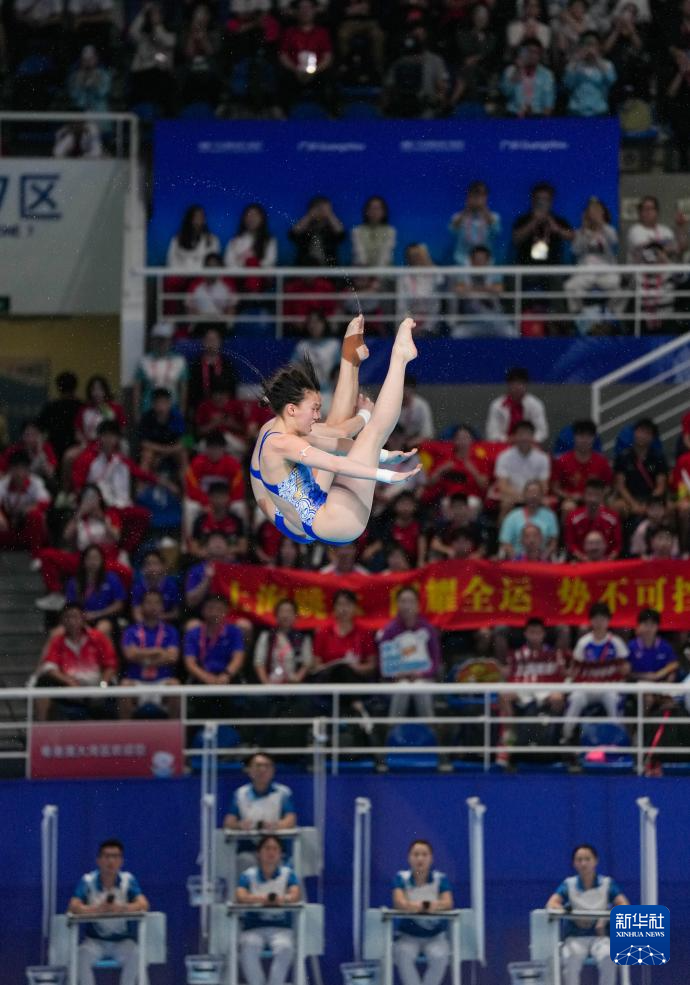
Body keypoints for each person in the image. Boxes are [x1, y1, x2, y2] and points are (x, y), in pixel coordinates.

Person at [249, 315, 420, 546]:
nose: (318, 415)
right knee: (371, 434)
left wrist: (383, 456)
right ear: (291, 409)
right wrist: (388, 475)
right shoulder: (280, 442)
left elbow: (334, 441)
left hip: (305, 519)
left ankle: (352, 359)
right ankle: (398, 357)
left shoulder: (281, 430)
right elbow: (336, 455)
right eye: (314, 409)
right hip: (326, 522)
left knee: (355, 438)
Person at [68, 838, 149, 985]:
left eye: (115, 856)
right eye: (107, 856)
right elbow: (73, 906)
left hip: (122, 941)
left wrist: (122, 908)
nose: (111, 861)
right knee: (80, 956)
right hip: (94, 941)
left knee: (136, 954)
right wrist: (96, 910)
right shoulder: (88, 881)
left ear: (121, 861)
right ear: (98, 860)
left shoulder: (128, 880)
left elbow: (143, 904)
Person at [546, 844, 629, 985]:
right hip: (575, 938)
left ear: (595, 861)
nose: (583, 863)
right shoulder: (569, 884)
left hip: (601, 938)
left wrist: (605, 918)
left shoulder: (607, 883)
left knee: (609, 956)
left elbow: (624, 905)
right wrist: (565, 910)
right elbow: (552, 903)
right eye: (579, 860)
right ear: (574, 863)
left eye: (587, 859)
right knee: (570, 958)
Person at [497, 617, 569, 767]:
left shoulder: (554, 654)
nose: (535, 636)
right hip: (523, 687)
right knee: (504, 696)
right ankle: (509, 738)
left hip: (546, 688)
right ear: (525, 634)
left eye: (538, 633)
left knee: (558, 698)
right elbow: (509, 674)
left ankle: (559, 740)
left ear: (543, 634)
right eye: (531, 632)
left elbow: (562, 675)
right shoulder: (516, 654)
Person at [236, 835, 301, 985]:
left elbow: (295, 895)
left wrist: (281, 899)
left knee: (285, 948)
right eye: (267, 848)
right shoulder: (248, 875)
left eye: (275, 849)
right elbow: (240, 896)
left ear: (280, 853)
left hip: (281, 929)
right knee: (248, 947)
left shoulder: (288, 874)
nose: (271, 852)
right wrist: (263, 899)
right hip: (253, 928)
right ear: (258, 853)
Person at [35, 604, 118, 721]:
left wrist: (103, 684)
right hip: (69, 686)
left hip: (96, 685)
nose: (71, 621)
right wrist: (68, 681)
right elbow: (49, 667)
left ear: (83, 618)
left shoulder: (98, 637)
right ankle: (41, 727)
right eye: (67, 617)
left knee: (114, 691)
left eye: (75, 616)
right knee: (43, 682)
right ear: (62, 621)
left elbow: (111, 664)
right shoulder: (58, 640)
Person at [561, 604, 629, 744]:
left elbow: (625, 668)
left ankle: (618, 740)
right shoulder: (583, 643)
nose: (599, 623)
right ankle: (566, 738)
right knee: (575, 699)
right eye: (596, 619)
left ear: (608, 621)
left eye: (602, 619)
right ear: (591, 621)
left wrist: (624, 669)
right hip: (586, 687)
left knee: (613, 701)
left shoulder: (616, 643)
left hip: (609, 687)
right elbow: (575, 669)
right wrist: (566, 672)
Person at [392, 839, 454, 985]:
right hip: (407, 937)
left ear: (431, 858)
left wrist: (433, 906)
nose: (420, 858)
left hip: (435, 937)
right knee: (402, 954)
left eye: (424, 855)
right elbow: (398, 902)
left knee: (440, 956)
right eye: (416, 854)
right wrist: (413, 906)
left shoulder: (440, 879)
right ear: (409, 858)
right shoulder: (401, 878)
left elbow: (448, 903)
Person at [377, 587, 441, 719]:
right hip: (397, 680)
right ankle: (393, 727)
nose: (407, 606)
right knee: (403, 686)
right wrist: (395, 674)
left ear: (418, 605)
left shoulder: (427, 629)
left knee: (420, 686)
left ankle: (429, 726)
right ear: (397, 605)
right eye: (403, 601)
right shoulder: (389, 631)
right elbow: (384, 664)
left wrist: (421, 674)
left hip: (423, 678)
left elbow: (435, 663)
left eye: (411, 601)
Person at [121, 589, 181, 717]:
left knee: (175, 685)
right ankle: (125, 728)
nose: (153, 606)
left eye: (157, 602)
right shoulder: (130, 630)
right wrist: (158, 651)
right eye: (148, 602)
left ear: (162, 606)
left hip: (162, 681)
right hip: (136, 681)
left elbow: (172, 657)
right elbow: (129, 655)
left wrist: (141, 656)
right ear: (141, 606)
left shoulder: (171, 630)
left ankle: (174, 728)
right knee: (124, 686)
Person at [563, 199, 620, 315]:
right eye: (591, 211)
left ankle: (609, 315)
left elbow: (614, 241)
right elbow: (576, 251)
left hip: (606, 272)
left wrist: (600, 223)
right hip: (585, 272)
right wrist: (584, 230)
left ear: (603, 213)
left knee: (619, 291)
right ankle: (579, 316)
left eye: (597, 211)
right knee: (569, 287)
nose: (594, 214)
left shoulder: (609, 229)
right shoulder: (580, 232)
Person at [451, 246, 515, 338]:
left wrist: (472, 289)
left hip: (495, 320)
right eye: (476, 260)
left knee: (511, 332)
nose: (479, 263)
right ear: (471, 260)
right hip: (472, 322)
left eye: (482, 260)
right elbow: (459, 289)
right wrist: (487, 289)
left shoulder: (494, 272)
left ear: (488, 261)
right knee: (457, 334)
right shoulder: (464, 273)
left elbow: (498, 289)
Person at [551, 421, 613, 516]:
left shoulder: (602, 462)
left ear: (594, 438)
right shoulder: (562, 461)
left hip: (595, 500)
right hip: (571, 500)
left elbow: (608, 487)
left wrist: (596, 496)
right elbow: (555, 488)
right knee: (568, 507)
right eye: (581, 436)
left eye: (588, 436)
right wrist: (569, 496)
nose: (584, 440)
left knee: (603, 508)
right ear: (574, 437)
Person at [612, 418, 667, 522]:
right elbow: (620, 486)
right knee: (618, 506)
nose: (643, 435)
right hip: (628, 499)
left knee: (670, 508)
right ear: (634, 433)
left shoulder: (658, 458)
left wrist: (648, 505)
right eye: (640, 431)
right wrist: (634, 504)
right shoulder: (623, 457)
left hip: (652, 500)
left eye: (647, 433)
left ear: (652, 437)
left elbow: (660, 487)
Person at [183, 593, 245, 684]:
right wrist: (206, 677)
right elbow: (190, 662)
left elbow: (238, 658)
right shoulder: (193, 633)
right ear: (203, 610)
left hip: (228, 676)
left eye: (219, 609)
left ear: (226, 611)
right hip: (201, 677)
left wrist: (226, 675)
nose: (214, 613)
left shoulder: (234, 632)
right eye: (210, 608)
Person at [493, 420, 551, 517]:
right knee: (506, 503)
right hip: (513, 496)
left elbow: (544, 486)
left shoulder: (543, 458)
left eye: (527, 434)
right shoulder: (504, 456)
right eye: (521, 434)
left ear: (533, 437)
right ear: (515, 436)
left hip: (534, 496)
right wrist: (523, 497)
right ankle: (503, 527)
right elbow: (502, 486)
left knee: (547, 505)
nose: (524, 438)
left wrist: (531, 496)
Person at [65, 545, 126, 636]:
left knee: (101, 629)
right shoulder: (74, 582)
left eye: (96, 558)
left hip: (105, 618)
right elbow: (70, 606)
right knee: (57, 632)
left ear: (102, 560)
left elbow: (119, 605)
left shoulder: (112, 578)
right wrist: (81, 617)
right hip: (80, 619)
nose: (93, 562)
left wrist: (96, 614)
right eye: (89, 558)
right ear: (83, 561)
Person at [627, 608, 678, 713]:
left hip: (659, 685)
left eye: (652, 625)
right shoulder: (631, 646)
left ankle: (661, 724)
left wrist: (657, 675)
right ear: (639, 626)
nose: (648, 628)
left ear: (657, 627)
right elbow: (626, 672)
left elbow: (674, 664)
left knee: (670, 703)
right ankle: (642, 723)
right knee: (648, 699)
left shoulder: (664, 646)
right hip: (638, 684)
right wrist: (646, 677)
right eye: (645, 624)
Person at [128, 2, 176, 113]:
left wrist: (157, 27)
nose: (155, 16)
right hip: (141, 76)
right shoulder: (143, 36)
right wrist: (144, 12)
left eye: (157, 14)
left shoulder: (168, 34)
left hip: (159, 75)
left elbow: (165, 57)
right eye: (152, 14)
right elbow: (132, 32)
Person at [0, 449, 50, 555]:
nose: (18, 473)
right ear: (10, 470)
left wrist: (28, 509)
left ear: (27, 469)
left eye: (22, 468)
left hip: (28, 531)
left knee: (35, 515)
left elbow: (45, 501)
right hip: (10, 529)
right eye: (15, 468)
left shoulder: (35, 482)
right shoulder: (4, 483)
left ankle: (36, 555)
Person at [512, 182, 574, 268]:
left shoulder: (558, 220)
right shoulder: (523, 220)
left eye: (545, 199)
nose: (541, 202)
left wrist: (557, 228)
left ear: (551, 201)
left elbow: (572, 236)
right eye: (539, 199)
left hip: (553, 268)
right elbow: (516, 239)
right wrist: (534, 221)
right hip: (527, 267)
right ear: (533, 199)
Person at [133, 322, 188, 418]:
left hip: (172, 408)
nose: (161, 342)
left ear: (170, 340)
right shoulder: (144, 361)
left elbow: (183, 389)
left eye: (165, 339)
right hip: (148, 408)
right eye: (158, 339)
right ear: (153, 340)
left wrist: (182, 412)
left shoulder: (180, 361)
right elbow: (137, 390)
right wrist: (136, 413)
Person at [485, 367, 548, 445]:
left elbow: (542, 432)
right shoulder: (497, 405)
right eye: (513, 383)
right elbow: (492, 435)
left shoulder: (535, 404)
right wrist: (509, 439)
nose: (517, 387)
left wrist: (526, 439)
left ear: (526, 385)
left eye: (520, 383)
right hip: (503, 446)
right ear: (508, 385)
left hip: (529, 445)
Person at [499, 479, 559, 559]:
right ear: (524, 494)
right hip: (517, 560)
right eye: (530, 492)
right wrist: (517, 559)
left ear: (542, 496)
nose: (533, 496)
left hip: (542, 561)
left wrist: (543, 558)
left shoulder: (550, 515)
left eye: (536, 493)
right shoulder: (512, 516)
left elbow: (553, 542)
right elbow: (505, 542)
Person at [564, 479, 622, 560]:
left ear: (602, 496)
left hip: (607, 562)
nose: (593, 499)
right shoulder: (573, 518)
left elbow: (617, 546)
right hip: (580, 562)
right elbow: (570, 545)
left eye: (596, 495)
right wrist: (584, 559)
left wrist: (607, 560)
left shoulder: (613, 518)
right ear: (584, 495)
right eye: (590, 494)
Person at [449, 180, 502, 267]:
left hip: (486, 261)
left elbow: (496, 231)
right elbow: (452, 230)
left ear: (486, 197)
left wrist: (483, 208)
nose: (477, 199)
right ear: (468, 196)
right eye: (474, 195)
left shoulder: (494, 216)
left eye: (481, 195)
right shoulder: (458, 216)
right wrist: (467, 208)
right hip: (462, 260)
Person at [564, 32, 616, 116]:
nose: (589, 48)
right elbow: (567, 84)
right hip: (576, 112)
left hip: (599, 111)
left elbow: (611, 81)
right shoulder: (573, 65)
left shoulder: (607, 65)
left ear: (599, 46)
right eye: (586, 44)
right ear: (581, 46)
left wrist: (597, 60)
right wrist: (576, 61)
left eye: (592, 44)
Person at [186, 325, 237, 410]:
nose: (211, 343)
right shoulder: (195, 365)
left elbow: (232, 390)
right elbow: (191, 392)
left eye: (214, 340)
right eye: (208, 340)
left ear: (220, 342)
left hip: (224, 409)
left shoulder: (227, 364)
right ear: (203, 342)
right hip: (201, 408)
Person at [501, 40, 555, 117]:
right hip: (513, 115)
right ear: (522, 53)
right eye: (529, 52)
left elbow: (548, 104)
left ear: (540, 56)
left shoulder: (547, 75)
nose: (531, 55)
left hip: (537, 115)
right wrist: (518, 70)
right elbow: (506, 93)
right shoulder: (510, 70)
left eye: (535, 52)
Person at [37, 371, 83, 463]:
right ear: (75, 387)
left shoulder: (50, 407)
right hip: (76, 450)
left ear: (58, 388)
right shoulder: (82, 406)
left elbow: (40, 429)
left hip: (55, 449)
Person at [397, 243, 443, 335]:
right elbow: (402, 305)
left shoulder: (434, 272)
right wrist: (410, 324)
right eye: (412, 256)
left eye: (418, 255)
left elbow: (435, 305)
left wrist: (426, 327)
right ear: (408, 258)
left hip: (431, 322)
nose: (416, 258)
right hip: (410, 319)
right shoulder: (404, 276)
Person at [289, 195, 344, 267]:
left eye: (326, 209)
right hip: (304, 268)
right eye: (318, 209)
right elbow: (293, 233)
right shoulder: (305, 228)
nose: (321, 212)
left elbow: (341, 234)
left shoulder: (331, 229)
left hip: (329, 268)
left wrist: (329, 214)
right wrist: (310, 215)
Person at [224, 203, 278, 275]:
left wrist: (252, 264)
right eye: (249, 215)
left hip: (260, 276)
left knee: (252, 263)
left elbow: (270, 262)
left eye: (255, 215)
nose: (252, 219)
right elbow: (228, 262)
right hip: (238, 276)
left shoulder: (269, 240)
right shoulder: (235, 240)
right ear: (243, 219)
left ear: (262, 218)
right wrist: (244, 265)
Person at [131, 550, 181, 623]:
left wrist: (158, 620)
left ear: (163, 566)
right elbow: (136, 613)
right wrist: (147, 626)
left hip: (167, 623)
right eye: (148, 564)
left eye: (155, 563)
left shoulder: (171, 585)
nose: (152, 568)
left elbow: (176, 613)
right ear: (142, 568)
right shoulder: (138, 586)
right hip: (144, 624)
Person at [186, 253, 238, 322]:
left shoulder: (228, 284)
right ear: (204, 267)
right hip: (200, 322)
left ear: (220, 268)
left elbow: (232, 308)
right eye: (209, 266)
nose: (212, 270)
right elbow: (189, 308)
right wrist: (202, 319)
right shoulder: (195, 283)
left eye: (215, 267)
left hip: (221, 322)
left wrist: (224, 321)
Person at [166, 205, 220, 270]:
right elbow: (171, 260)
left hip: (202, 274)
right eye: (196, 217)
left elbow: (213, 262)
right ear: (189, 219)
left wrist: (195, 269)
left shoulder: (212, 240)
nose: (199, 221)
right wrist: (184, 271)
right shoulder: (176, 240)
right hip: (180, 273)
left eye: (202, 217)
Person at [351, 195, 397, 267]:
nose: (374, 212)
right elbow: (360, 254)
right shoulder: (356, 231)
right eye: (371, 208)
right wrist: (365, 270)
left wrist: (378, 272)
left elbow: (386, 254)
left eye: (378, 208)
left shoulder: (390, 231)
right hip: (361, 269)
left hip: (384, 270)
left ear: (384, 212)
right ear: (366, 211)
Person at [68, 45, 111, 113]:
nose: (88, 62)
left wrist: (96, 82)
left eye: (90, 59)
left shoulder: (104, 75)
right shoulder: (75, 75)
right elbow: (73, 95)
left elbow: (103, 93)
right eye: (85, 60)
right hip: (80, 112)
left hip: (99, 111)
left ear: (96, 58)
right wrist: (79, 81)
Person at [398, 375, 435, 448]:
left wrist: (409, 444)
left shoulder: (421, 406)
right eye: (402, 389)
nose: (404, 393)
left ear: (413, 390)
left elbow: (428, 434)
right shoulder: (390, 405)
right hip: (394, 442)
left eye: (407, 389)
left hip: (415, 443)